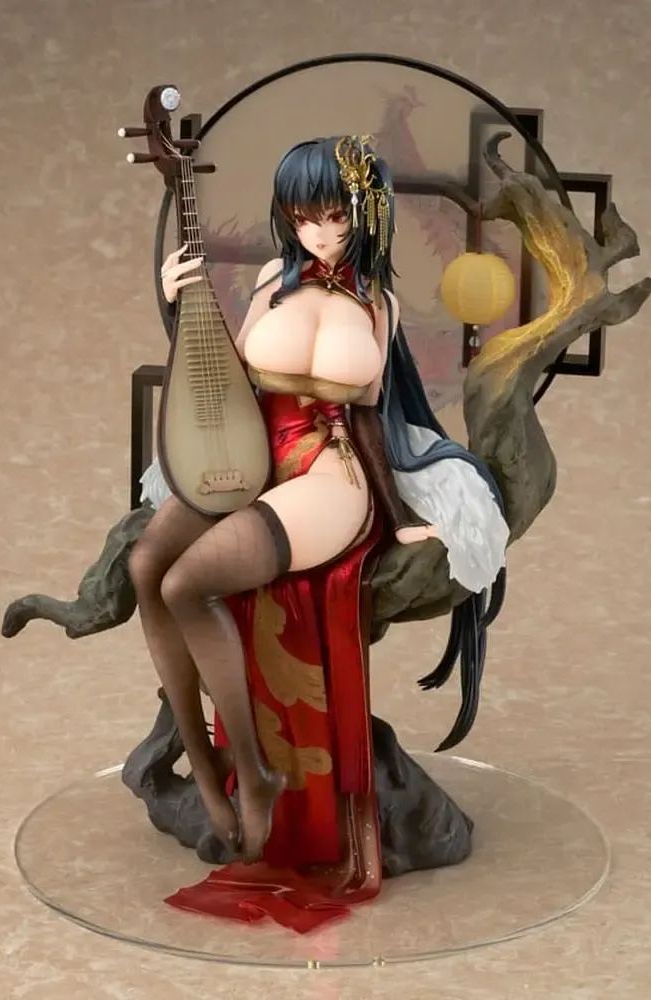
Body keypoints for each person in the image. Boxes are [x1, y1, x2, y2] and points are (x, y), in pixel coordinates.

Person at [132, 134, 509, 927]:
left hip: (327, 471)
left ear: (366, 216)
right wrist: (177, 305)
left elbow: (383, 414)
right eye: (304, 217)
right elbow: (220, 379)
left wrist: (402, 513)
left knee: (188, 583)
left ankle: (256, 775)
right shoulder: (271, 280)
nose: (322, 234)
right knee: (144, 568)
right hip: (248, 455)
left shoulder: (377, 304)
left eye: (337, 217)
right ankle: (205, 767)